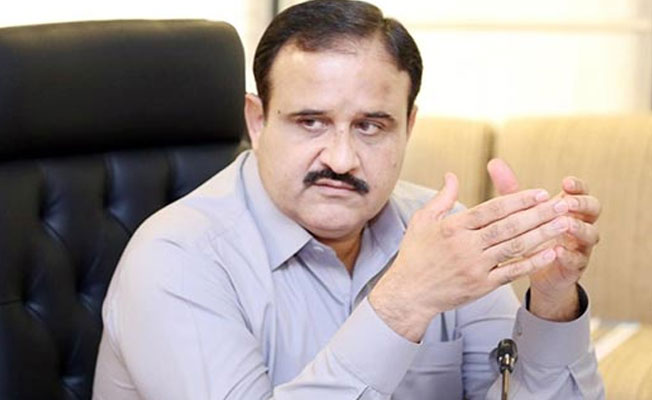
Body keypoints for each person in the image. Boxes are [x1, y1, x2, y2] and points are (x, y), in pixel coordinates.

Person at [93, 0, 605, 398]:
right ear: (257, 120)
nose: (340, 159)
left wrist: (552, 302)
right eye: (310, 122)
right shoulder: (175, 257)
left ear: (408, 127)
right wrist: (405, 302)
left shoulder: (443, 234)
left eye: (370, 126)